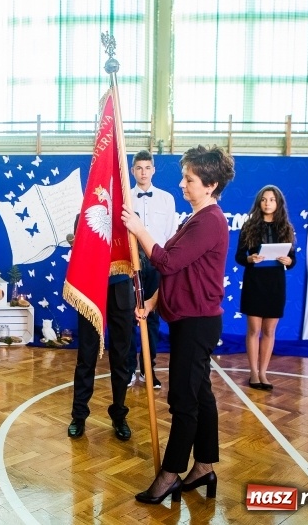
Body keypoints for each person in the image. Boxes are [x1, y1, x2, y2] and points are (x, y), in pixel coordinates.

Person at [122, 145, 235, 504]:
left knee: (183, 401)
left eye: (190, 179)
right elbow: (181, 271)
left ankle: (170, 475)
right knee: (200, 395)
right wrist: (153, 302)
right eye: (184, 178)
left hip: (197, 323)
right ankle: (204, 466)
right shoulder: (196, 218)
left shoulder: (210, 221)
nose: (182, 184)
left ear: (211, 184)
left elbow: (167, 262)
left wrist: (139, 229)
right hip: (192, 319)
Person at [68, 214, 135, 442]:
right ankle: (79, 416)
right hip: (91, 290)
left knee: (121, 358)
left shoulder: (128, 216)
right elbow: (79, 255)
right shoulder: (85, 215)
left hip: (121, 291)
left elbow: (137, 257)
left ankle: (119, 415)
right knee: (86, 357)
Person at [235, 185, 296, 391]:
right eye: (263, 199)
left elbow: (293, 259)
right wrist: (250, 258)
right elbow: (239, 256)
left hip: (275, 284)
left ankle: (263, 372)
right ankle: (253, 372)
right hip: (255, 282)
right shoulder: (249, 226)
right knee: (254, 330)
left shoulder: (286, 228)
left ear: (278, 203)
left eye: (271, 199)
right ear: (259, 203)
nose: (267, 203)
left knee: (269, 331)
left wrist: (288, 260)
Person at [128, 149, 177, 390]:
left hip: (156, 263)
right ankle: (128, 369)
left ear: (154, 170)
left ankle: (149, 369)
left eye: (147, 168)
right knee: (129, 316)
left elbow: (170, 235)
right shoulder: (125, 198)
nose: (143, 172)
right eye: (139, 168)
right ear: (132, 171)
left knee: (153, 318)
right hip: (131, 265)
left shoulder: (167, 199)